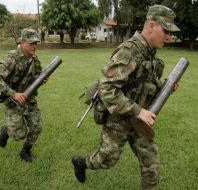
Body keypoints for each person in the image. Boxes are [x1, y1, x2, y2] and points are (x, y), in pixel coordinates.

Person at [72, 5, 180, 189]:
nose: (170, 37)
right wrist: (137, 111)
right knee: (107, 160)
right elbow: (107, 89)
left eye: (171, 32)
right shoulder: (129, 51)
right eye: (166, 31)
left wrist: (164, 87)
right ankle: (82, 163)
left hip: (140, 120)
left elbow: (145, 82)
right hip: (119, 119)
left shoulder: (150, 52)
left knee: (151, 167)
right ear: (151, 25)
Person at [0, 28, 43, 163]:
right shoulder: (11, 58)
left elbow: (35, 78)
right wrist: (14, 94)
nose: (34, 46)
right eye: (31, 43)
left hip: (28, 98)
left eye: (36, 43)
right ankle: (6, 131)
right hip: (12, 100)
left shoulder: (34, 60)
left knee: (37, 127)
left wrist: (40, 80)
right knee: (19, 135)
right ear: (22, 42)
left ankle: (25, 152)